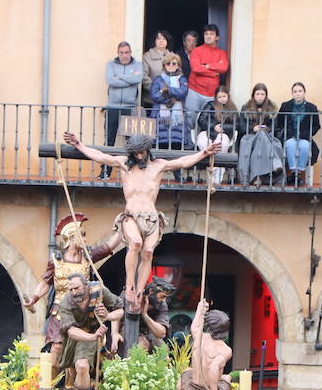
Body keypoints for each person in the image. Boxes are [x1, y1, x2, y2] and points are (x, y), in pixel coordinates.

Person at [61, 129, 220, 304]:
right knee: (135, 243)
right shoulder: (124, 165)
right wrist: (78, 144)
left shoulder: (158, 165)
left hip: (151, 218)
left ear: (147, 150)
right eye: (135, 152)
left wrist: (205, 152)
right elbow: (100, 156)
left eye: (141, 152)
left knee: (148, 252)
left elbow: (182, 162)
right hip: (131, 216)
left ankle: (139, 290)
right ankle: (129, 286)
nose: (138, 156)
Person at [176, 297, 233, 390]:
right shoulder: (225, 350)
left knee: (186, 371)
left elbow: (194, 327)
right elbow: (213, 368)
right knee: (227, 377)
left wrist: (199, 310)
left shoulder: (201, 337)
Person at [278, 82, 322, 186]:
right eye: (295, 91)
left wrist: (306, 134)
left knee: (305, 146)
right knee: (290, 145)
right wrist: (287, 132)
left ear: (304, 93)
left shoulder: (312, 107)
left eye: (300, 91)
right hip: (290, 136)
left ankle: (298, 173)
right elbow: (279, 122)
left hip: (304, 137)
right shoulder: (285, 106)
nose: (298, 93)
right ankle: (294, 173)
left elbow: (316, 126)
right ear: (292, 94)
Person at [236, 84, 282, 185]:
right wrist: (253, 128)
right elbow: (241, 127)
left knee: (262, 136)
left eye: (262, 94)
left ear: (266, 95)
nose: (260, 96)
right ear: (253, 95)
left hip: (267, 137)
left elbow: (275, 127)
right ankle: (275, 163)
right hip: (250, 137)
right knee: (261, 137)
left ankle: (257, 177)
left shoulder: (272, 108)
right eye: (258, 94)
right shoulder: (246, 107)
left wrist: (266, 128)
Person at [193, 88, 237, 186]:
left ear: (228, 96)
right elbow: (202, 120)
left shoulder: (232, 108)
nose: (222, 99)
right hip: (208, 131)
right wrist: (213, 126)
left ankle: (218, 176)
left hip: (224, 133)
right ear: (216, 97)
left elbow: (235, 124)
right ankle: (211, 170)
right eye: (219, 97)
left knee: (221, 144)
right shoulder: (210, 105)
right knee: (202, 142)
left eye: (224, 96)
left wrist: (222, 127)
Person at [105, 42, 141, 158]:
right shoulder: (110, 64)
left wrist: (120, 76)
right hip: (112, 107)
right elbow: (110, 81)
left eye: (127, 52)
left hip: (129, 108)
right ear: (118, 53)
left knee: (131, 142)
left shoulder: (137, 64)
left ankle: (132, 170)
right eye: (122, 53)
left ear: (130, 53)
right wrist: (130, 81)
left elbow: (138, 78)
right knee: (109, 141)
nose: (124, 55)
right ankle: (105, 171)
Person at [185, 24, 227, 119]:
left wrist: (207, 66)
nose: (208, 36)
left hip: (212, 94)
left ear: (217, 37)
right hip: (195, 91)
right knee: (190, 119)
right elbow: (196, 68)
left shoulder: (221, 53)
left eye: (211, 34)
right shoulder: (196, 51)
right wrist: (213, 73)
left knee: (209, 121)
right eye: (206, 33)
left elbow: (224, 68)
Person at [149, 53, 189, 150]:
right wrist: (172, 98)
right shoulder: (158, 79)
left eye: (174, 63)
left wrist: (166, 90)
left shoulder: (182, 79)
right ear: (164, 65)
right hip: (160, 119)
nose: (171, 66)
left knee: (177, 148)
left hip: (178, 122)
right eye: (168, 63)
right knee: (160, 146)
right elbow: (155, 95)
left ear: (178, 65)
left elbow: (183, 92)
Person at [142, 32, 171, 108]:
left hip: (168, 98)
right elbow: (144, 76)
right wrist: (156, 89)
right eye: (158, 38)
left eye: (164, 39)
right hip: (151, 99)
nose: (161, 41)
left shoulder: (172, 56)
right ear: (154, 41)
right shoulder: (147, 56)